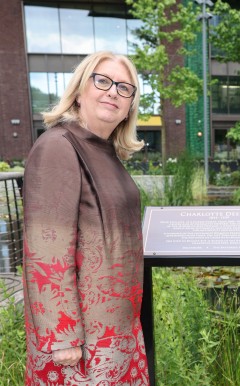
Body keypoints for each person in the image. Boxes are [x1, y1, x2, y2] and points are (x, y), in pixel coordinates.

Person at [22, 51, 150, 385]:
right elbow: (45, 247)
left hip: (118, 329)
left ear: (129, 106)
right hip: (78, 343)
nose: (113, 92)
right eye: (103, 81)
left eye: (125, 88)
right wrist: (61, 333)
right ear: (79, 92)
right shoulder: (59, 146)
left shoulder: (106, 152)